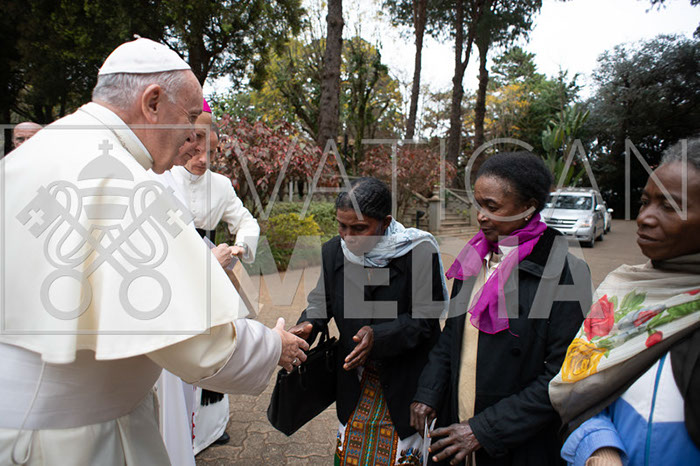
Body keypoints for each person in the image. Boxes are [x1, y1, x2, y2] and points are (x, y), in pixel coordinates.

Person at [0, 38, 308, 465]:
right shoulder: (126, 182)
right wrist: (273, 345)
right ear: (152, 103)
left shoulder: (29, 156)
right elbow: (198, 342)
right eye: (189, 117)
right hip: (70, 441)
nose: (192, 136)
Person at [411, 151, 592, 466]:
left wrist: (483, 430)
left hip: (518, 446)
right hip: (457, 431)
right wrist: (428, 390)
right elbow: (451, 336)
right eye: (479, 204)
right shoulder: (473, 258)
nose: (481, 216)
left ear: (528, 208)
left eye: (492, 207)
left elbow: (562, 376)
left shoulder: (566, 272)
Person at [550, 138, 700, 466]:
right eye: (645, 202)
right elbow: (580, 390)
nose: (644, 217)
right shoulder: (623, 291)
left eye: (669, 206)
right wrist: (598, 447)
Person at [289, 177, 447, 465]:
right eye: (342, 226)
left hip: (404, 381)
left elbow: (425, 319)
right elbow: (322, 300)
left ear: (385, 222)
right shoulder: (334, 251)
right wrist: (310, 322)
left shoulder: (419, 252)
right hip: (355, 380)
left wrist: (379, 336)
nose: (348, 236)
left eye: (359, 228)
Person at [170, 100, 259, 263]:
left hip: (211, 263)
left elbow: (246, 221)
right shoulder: (165, 175)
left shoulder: (221, 184)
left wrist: (241, 246)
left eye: (210, 153)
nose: (204, 160)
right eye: (197, 151)